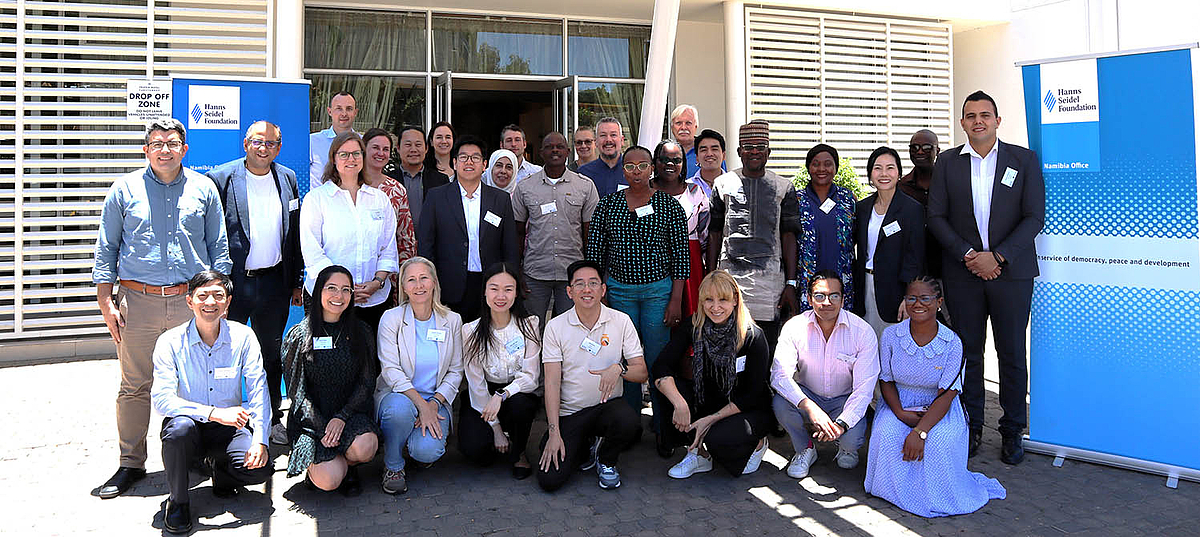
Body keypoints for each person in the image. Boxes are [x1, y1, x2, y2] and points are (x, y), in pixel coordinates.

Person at [92, 118, 231, 500]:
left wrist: (217, 298)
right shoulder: (124, 190)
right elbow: (106, 249)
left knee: (200, 382)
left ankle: (198, 457)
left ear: (185, 150)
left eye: (172, 143)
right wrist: (106, 302)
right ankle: (130, 464)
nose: (165, 149)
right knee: (135, 385)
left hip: (192, 302)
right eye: (157, 143)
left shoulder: (203, 189)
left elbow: (219, 247)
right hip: (137, 302)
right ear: (146, 149)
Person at [927, 90, 1045, 464]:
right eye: (971, 115)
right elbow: (936, 217)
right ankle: (972, 424)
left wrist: (998, 256)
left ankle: (1013, 430)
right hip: (963, 275)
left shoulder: (1022, 160)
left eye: (985, 114)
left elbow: (1034, 217)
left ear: (997, 120)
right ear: (962, 123)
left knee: (1011, 354)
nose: (978, 120)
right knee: (969, 354)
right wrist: (969, 255)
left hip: (1011, 274)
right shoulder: (947, 162)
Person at [864, 277, 1007, 517]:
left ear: (939, 302)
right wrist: (899, 413)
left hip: (939, 407)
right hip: (899, 402)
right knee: (887, 434)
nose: (917, 303)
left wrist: (920, 431)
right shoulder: (890, 336)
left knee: (939, 442)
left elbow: (948, 394)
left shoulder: (952, 342)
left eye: (925, 298)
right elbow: (886, 381)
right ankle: (894, 492)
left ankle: (935, 496)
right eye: (911, 298)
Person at [586, 145, 689, 456]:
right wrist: (598, 294)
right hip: (619, 292)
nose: (636, 172)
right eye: (629, 166)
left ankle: (662, 427)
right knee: (628, 362)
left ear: (651, 168)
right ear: (623, 170)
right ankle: (627, 426)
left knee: (658, 361)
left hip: (658, 292)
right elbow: (595, 254)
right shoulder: (608, 206)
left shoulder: (669, 206)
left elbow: (681, 257)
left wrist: (675, 301)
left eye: (642, 165)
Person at [150, 271, 271, 534]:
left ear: (228, 302)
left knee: (261, 468)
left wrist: (261, 438)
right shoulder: (169, 342)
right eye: (202, 295)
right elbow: (161, 400)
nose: (210, 302)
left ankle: (222, 472)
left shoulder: (244, 337)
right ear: (189, 301)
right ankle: (178, 502)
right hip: (190, 428)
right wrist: (214, 413)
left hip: (229, 429)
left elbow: (259, 389)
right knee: (177, 430)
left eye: (218, 295)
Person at [207, 120, 303, 446]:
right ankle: (224, 421)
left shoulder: (287, 178)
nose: (264, 148)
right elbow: (210, 234)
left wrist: (295, 281)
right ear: (245, 143)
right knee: (226, 355)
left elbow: (293, 235)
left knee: (270, 355)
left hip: (274, 282)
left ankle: (272, 417)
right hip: (233, 285)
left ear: (279, 147)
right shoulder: (221, 178)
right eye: (258, 142)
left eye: (272, 143)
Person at [537, 260, 648, 491]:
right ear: (569, 292)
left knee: (627, 420)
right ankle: (586, 445)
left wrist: (619, 368)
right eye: (579, 284)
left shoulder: (621, 321)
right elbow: (551, 382)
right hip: (571, 414)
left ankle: (606, 461)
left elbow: (642, 372)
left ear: (603, 289)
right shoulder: (556, 327)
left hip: (606, 409)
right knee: (550, 480)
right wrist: (554, 433)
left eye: (593, 283)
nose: (586, 290)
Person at [653, 271, 775, 478]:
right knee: (666, 390)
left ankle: (758, 444)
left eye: (723, 300)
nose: (715, 307)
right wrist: (679, 404)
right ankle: (698, 453)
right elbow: (661, 366)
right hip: (710, 399)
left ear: (735, 300)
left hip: (746, 408)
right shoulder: (695, 325)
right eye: (709, 299)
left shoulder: (753, 336)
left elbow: (751, 395)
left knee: (719, 440)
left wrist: (709, 420)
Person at [281, 265, 381, 496]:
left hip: (349, 414)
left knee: (366, 447)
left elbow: (367, 383)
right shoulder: (299, 335)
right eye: (332, 288)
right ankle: (323, 470)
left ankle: (350, 467)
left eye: (346, 290)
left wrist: (342, 417)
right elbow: (297, 394)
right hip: (312, 420)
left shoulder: (362, 332)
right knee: (329, 481)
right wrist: (323, 427)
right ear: (318, 292)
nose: (339, 296)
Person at [771, 270, 879, 480]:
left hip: (845, 399)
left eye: (834, 296)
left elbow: (864, 389)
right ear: (809, 299)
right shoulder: (794, 327)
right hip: (809, 395)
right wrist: (809, 407)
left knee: (852, 439)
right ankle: (805, 448)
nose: (827, 302)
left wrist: (841, 424)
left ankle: (846, 448)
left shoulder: (862, 331)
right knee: (780, 404)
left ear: (843, 298)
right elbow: (779, 375)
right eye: (819, 296)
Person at [706, 120, 801, 352]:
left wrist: (790, 283)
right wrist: (710, 278)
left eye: (760, 146)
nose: (754, 152)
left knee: (765, 349)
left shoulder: (783, 187)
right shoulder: (722, 184)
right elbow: (715, 233)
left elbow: (789, 237)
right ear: (739, 152)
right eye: (748, 147)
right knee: (730, 347)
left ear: (768, 151)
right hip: (730, 282)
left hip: (769, 285)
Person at [374, 257, 464, 495]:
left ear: (434, 282)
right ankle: (393, 464)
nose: (419, 285)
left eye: (424, 277)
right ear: (403, 287)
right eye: (411, 280)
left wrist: (433, 404)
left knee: (427, 452)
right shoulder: (391, 319)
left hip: (437, 401)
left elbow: (456, 371)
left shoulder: (452, 320)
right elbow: (391, 370)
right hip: (399, 396)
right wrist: (421, 406)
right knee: (399, 411)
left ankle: (411, 444)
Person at [300, 131, 399, 333]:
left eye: (356, 153)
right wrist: (344, 289)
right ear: (333, 159)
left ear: (363, 157)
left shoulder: (379, 199)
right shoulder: (317, 199)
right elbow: (312, 252)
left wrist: (377, 282)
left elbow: (388, 248)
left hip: (374, 299)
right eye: (343, 154)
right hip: (329, 302)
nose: (350, 159)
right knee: (330, 361)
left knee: (369, 361)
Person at [418, 135, 519, 323]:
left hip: (491, 285)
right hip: (448, 284)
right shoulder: (436, 197)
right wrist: (428, 281)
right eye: (463, 157)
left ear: (484, 165)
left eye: (475, 157)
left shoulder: (500, 199)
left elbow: (510, 246)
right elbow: (426, 244)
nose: (469, 162)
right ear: (455, 163)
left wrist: (510, 282)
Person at [458, 263, 542, 480]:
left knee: (522, 405)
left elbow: (531, 378)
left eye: (508, 289)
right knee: (477, 453)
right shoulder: (470, 331)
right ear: (485, 290)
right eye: (494, 288)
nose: (501, 296)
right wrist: (495, 429)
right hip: (483, 396)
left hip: (516, 393)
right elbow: (476, 383)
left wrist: (502, 394)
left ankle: (520, 451)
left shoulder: (529, 325)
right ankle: (501, 433)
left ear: (516, 292)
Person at [511, 132, 600, 328]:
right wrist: (517, 270)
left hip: (572, 272)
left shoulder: (585, 186)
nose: (555, 150)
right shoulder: (525, 187)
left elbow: (589, 234)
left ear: (568, 152)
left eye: (559, 147)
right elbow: (517, 232)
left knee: (570, 329)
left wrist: (589, 270)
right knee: (532, 328)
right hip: (535, 273)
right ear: (541, 152)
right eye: (549, 147)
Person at [852, 146, 925, 339]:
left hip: (895, 290)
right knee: (866, 345)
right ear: (870, 174)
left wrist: (909, 297)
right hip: (865, 287)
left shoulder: (912, 210)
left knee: (892, 346)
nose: (884, 174)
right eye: (877, 168)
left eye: (890, 168)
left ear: (899, 173)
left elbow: (915, 257)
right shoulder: (861, 208)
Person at [651, 140, 709, 317]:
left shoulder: (695, 191)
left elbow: (705, 234)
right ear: (655, 163)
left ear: (683, 164)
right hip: (653, 263)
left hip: (691, 263)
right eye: (664, 159)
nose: (670, 164)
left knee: (688, 318)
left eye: (676, 160)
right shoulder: (645, 190)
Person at [797, 144, 857, 312]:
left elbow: (855, 236)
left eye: (828, 164)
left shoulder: (848, 199)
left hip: (842, 279)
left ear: (836, 167)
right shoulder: (796, 199)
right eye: (816, 163)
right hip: (807, 281)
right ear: (808, 167)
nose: (821, 169)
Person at [898, 129, 947, 323]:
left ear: (937, 150)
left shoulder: (948, 183)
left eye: (927, 147)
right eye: (914, 147)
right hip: (915, 272)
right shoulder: (901, 188)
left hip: (948, 270)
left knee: (955, 328)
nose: (920, 151)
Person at [391, 125, 450, 232]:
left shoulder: (441, 180)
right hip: (396, 244)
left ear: (426, 148)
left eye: (418, 145)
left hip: (430, 244)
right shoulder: (388, 181)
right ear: (398, 148)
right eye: (408, 145)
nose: (413, 149)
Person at [309, 92, 359, 191]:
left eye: (349, 109)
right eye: (339, 109)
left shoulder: (363, 142)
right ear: (329, 111)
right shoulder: (312, 141)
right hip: (320, 204)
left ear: (355, 112)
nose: (344, 114)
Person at [577, 117, 628, 196]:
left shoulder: (633, 171)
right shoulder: (583, 174)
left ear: (622, 140)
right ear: (596, 142)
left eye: (613, 135)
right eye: (603, 135)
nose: (608, 140)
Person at [689, 128, 726, 199]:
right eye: (704, 150)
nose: (709, 154)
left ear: (723, 155)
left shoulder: (735, 185)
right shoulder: (687, 187)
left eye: (714, 149)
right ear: (697, 157)